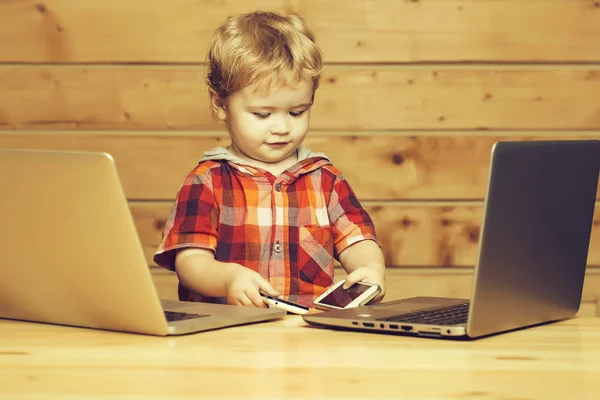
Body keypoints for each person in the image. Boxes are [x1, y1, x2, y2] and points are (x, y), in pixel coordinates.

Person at [154, 10, 386, 308]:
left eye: (297, 112)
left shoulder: (324, 179)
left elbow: (358, 239)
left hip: (306, 334)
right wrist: (227, 278)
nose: (281, 127)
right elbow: (190, 262)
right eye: (262, 114)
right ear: (220, 104)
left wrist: (371, 268)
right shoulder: (207, 180)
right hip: (225, 333)